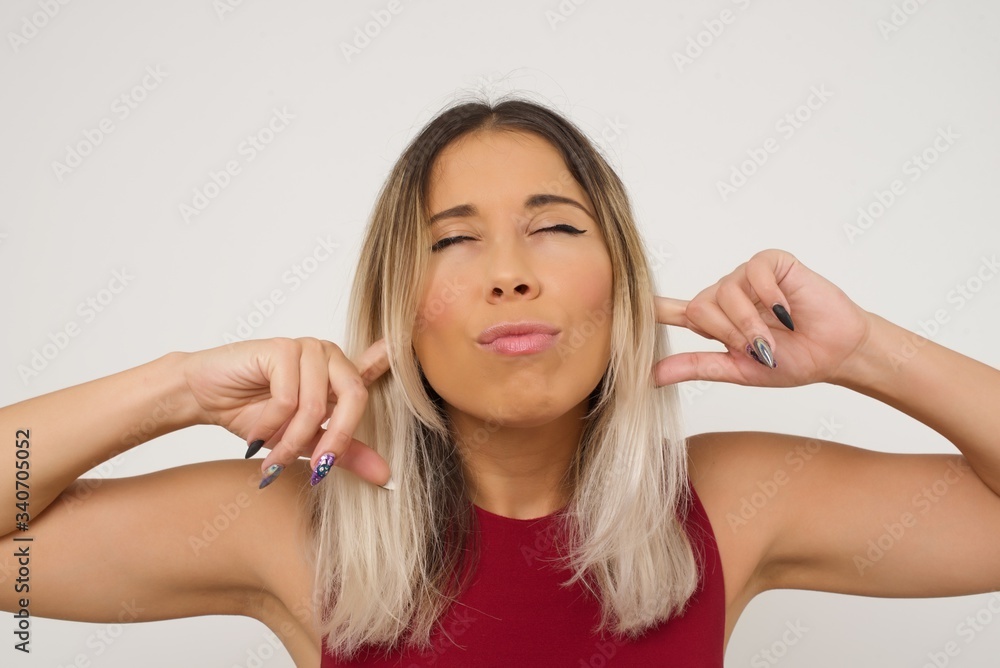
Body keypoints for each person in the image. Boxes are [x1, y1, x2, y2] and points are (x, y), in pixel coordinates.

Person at [2, 96, 999, 667]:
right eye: (452, 240)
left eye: (555, 226)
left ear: (622, 279)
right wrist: (178, 387)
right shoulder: (294, 520)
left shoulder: (728, 501)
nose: (510, 272)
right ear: (397, 304)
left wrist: (863, 352)